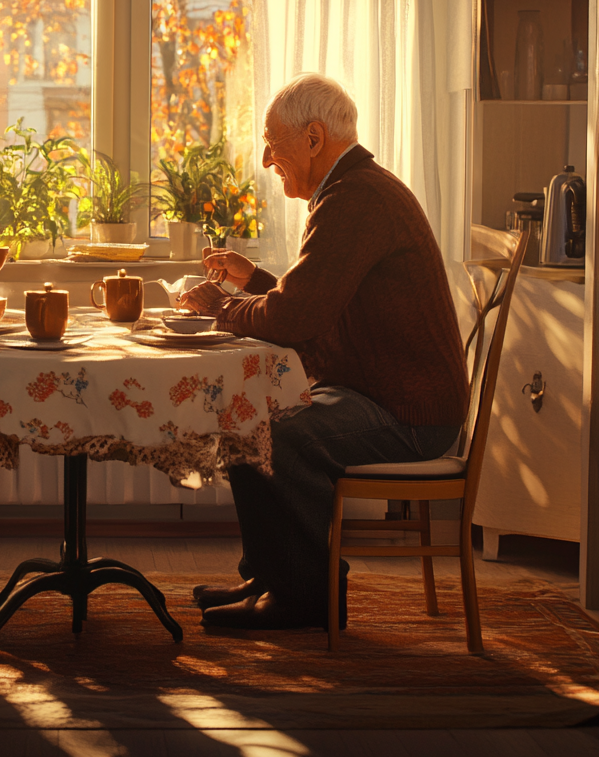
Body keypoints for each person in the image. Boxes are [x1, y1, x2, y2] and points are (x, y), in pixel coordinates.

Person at [178, 75, 467, 631]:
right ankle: (271, 577)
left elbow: (297, 318)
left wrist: (221, 304)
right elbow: (318, 299)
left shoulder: (355, 198)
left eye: (273, 142)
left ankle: (306, 596)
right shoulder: (354, 190)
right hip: (390, 396)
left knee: (274, 431)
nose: (266, 159)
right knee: (251, 417)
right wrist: (254, 280)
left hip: (409, 415)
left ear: (314, 138)